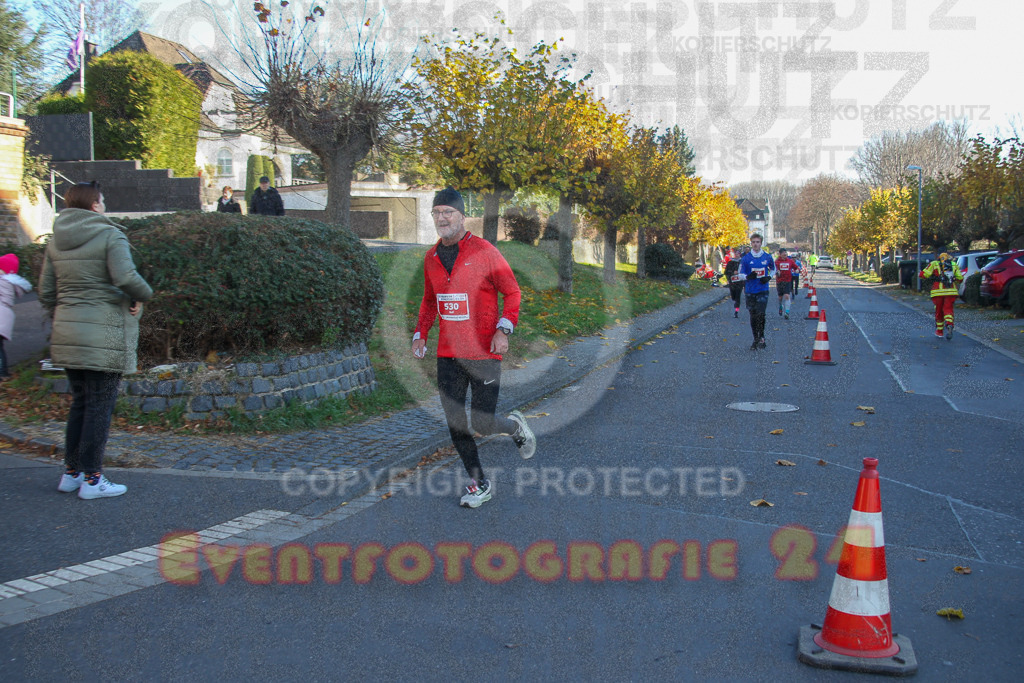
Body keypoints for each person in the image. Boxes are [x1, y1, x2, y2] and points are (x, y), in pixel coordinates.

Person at [411, 187, 536, 509]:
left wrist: (503, 329)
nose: (442, 218)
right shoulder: (432, 257)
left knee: (482, 423)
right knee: (455, 423)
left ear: (462, 215)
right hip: (448, 353)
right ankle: (479, 484)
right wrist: (420, 333)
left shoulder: (484, 252)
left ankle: (514, 426)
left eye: (447, 212)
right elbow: (429, 301)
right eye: (436, 212)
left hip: (483, 351)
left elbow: (512, 292)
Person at [39, 182, 153, 500]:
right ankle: (93, 479)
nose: (104, 205)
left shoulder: (55, 242)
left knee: (81, 404)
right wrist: (144, 295)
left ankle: (72, 474)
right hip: (103, 333)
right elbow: (126, 277)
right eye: (102, 201)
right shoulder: (110, 234)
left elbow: (46, 292)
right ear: (94, 206)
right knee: (99, 408)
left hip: (67, 334)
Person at [739, 234, 775, 349]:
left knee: (761, 314)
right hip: (750, 290)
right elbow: (740, 274)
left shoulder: (767, 257)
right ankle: (755, 338)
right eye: (753, 242)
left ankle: (762, 336)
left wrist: (769, 277)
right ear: (751, 243)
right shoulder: (745, 259)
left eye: (758, 242)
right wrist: (748, 277)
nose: (755, 244)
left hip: (763, 290)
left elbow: (774, 269)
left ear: (761, 243)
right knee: (753, 315)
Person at [0, 253, 33, 380]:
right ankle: (3, 372)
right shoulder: (8, 282)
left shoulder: (2, 281)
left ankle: (2, 373)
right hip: (4, 315)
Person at [920, 252, 963, 339]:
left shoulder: (934, 264)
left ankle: (939, 331)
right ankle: (949, 324)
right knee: (948, 309)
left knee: (939, 311)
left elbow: (924, 274)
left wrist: (920, 274)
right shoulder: (954, 265)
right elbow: (960, 278)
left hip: (937, 292)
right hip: (951, 291)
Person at [775, 248, 797, 319]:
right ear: (780, 254)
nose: (785, 255)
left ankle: (787, 312)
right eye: (783, 253)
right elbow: (773, 269)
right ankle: (780, 305)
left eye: (786, 253)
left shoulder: (790, 261)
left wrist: (797, 270)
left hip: (788, 281)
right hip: (779, 281)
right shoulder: (777, 262)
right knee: (780, 297)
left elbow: (796, 267)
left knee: (787, 296)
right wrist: (776, 271)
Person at [723, 253, 744, 317]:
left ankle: (736, 311)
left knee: (738, 296)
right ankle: (735, 301)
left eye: (738, 254)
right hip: (732, 282)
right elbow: (726, 272)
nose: (736, 255)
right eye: (735, 254)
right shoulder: (730, 263)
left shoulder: (742, 262)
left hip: (740, 282)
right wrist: (732, 273)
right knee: (733, 296)